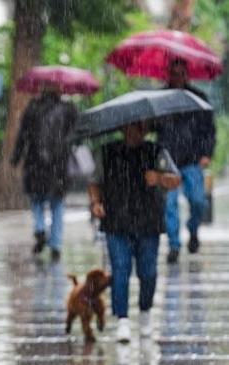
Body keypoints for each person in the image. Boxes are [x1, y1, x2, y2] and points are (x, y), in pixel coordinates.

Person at [89, 120, 181, 343]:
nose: (133, 133)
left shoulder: (156, 151)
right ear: (122, 129)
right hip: (116, 222)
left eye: (139, 128)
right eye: (129, 128)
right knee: (120, 270)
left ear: (145, 130)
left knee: (148, 272)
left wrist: (158, 178)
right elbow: (94, 182)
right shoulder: (107, 151)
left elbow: (175, 179)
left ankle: (145, 311)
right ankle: (122, 320)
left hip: (148, 223)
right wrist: (96, 202)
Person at [156, 58, 216, 264]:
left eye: (181, 73)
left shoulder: (198, 99)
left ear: (187, 75)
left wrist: (206, 153)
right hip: (168, 160)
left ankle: (193, 230)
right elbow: (152, 126)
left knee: (198, 201)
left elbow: (209, 130)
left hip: (192, 159)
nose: (178, 78)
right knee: (169, 205)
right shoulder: (160, 99)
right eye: (174, 73)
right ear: (168, 75)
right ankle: (174, 245)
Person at [11, 84, 78, 260]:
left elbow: (22, 135)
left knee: (36, 200)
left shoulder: (33, 108)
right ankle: (55, 243)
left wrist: (16, 157)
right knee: (57, 204)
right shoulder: (68, 109)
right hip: (59, 165)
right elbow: (76, 134)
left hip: (35, 163)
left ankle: (40, 228)